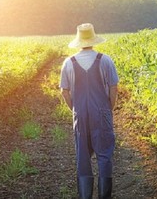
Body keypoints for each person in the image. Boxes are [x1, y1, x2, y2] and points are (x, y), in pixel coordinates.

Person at [59, 23, 118, 199]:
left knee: (83, 158)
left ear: (78, 40)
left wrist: (74, 109)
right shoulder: (105, 60)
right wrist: (109, 108)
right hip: (102, 112)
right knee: (104, 155)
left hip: (79, 114)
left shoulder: (69, 63)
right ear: (93, 39)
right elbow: (113, 88)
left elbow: (64, 91)